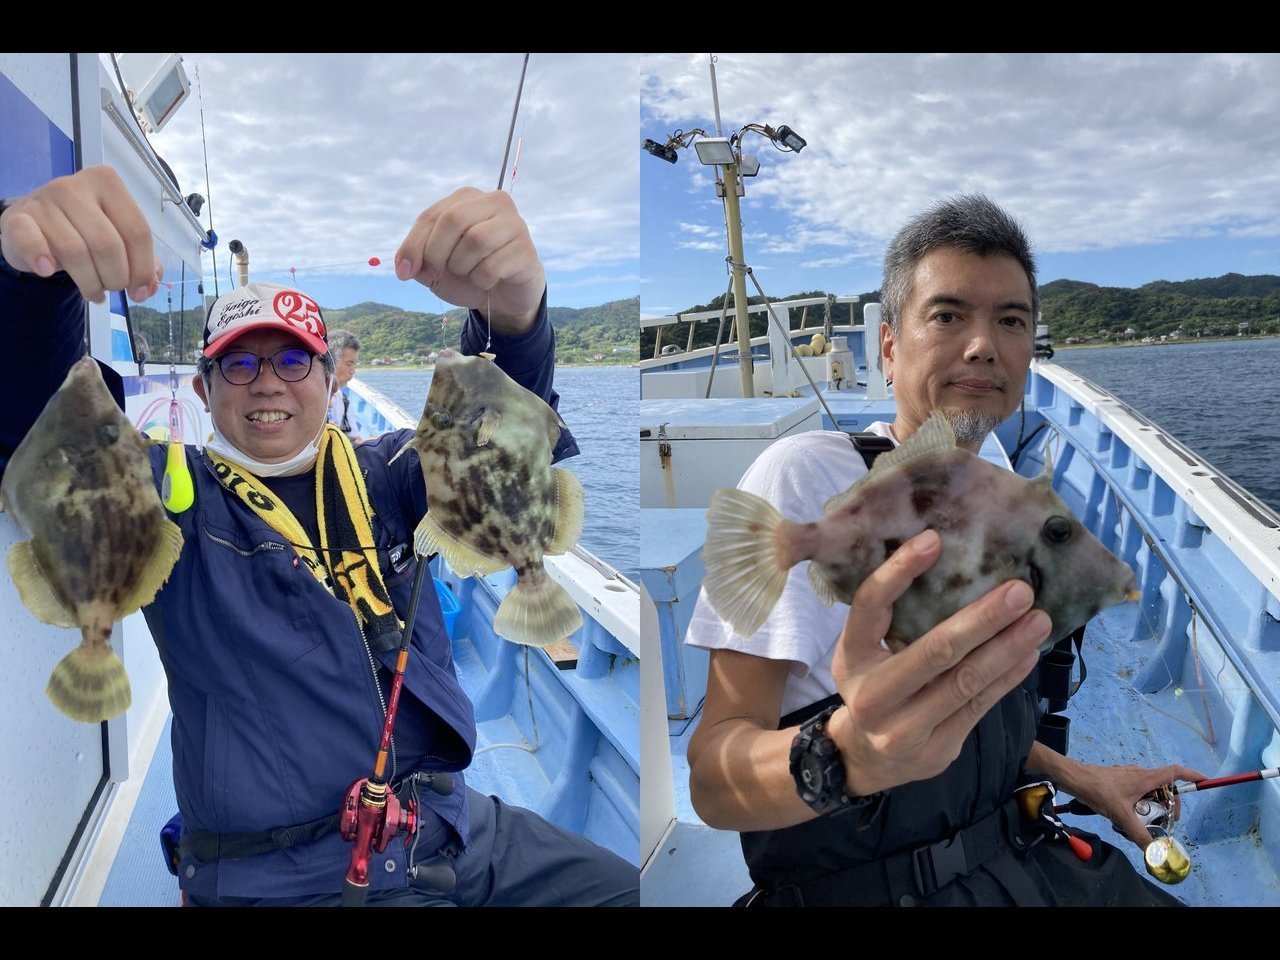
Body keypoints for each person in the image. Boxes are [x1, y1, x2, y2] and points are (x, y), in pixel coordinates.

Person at [0, 165, 637, 907]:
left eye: (294, 359)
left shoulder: (393, 473)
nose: (268, 381)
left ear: (330, 379)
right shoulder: (168, 498)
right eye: (240, 363)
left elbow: (501, 440)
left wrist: (515, 316)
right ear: (204, 389)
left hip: (449, 824)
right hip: (292, 874)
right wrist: (31, 285)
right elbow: (47, 438)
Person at [684, 193, 1204, 907]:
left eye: (1011, 320)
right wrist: (846, 753)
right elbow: (712, 780)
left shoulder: (995, 493)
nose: (983, 344)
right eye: (948, 316)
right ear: (888, 348)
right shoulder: (806, 475)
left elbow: (967, 712)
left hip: (1017, 855)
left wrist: (1081, 776)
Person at [326, 328, 362, 440]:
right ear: (331, 361)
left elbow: (355, 438)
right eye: (349, 364)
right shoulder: (313, 398)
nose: (353, 371)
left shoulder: (342, 400)